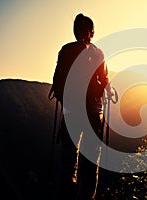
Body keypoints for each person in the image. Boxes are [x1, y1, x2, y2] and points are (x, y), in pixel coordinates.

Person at [49, 13, 113, 200]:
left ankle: (67, 193)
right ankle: (86, 196)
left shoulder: (66, 50)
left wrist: (66, 101)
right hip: (93, 112)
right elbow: (105, 79)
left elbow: (58, 81)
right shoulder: (97, 53)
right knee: (90, 161)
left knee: (68, 159)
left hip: (74, 112)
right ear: (92, 32)